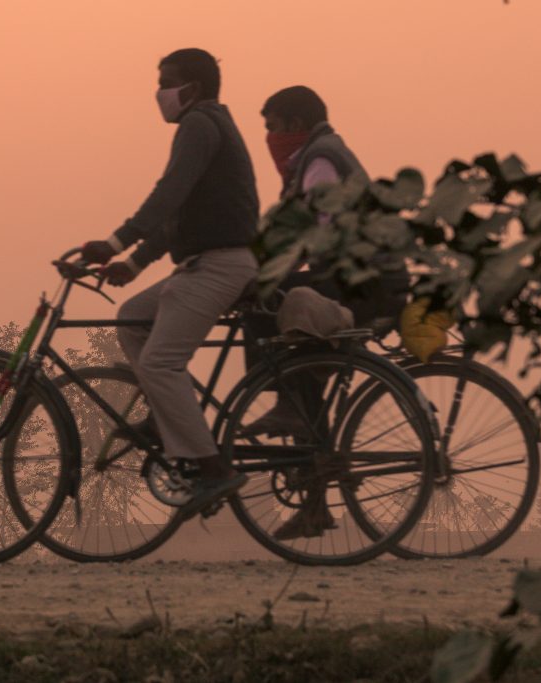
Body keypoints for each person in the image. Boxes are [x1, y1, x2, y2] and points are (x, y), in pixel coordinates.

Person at [78, 48, 260, 518]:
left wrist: (115, 241)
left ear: (193, 88)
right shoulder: (209, 123)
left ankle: (214, 469)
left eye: (166, 82)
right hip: (206, 263)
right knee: (133, 316)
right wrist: (135, 263)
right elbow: (179, 213)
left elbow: (169, 192)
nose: (159, 92)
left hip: (220, 266)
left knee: (160, 364)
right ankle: (168, 422)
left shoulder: (199, 124)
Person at [246, 86, 410, 539]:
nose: (270, 138)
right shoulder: (312, 160)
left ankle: (285, 404)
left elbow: (320, 232)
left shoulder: (320, 161)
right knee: (301, 365)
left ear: (296, 124)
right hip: (357, 278)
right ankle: (314, 502)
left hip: (365, 284)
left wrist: (268, 273)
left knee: (262, 307)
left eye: (273, 127)